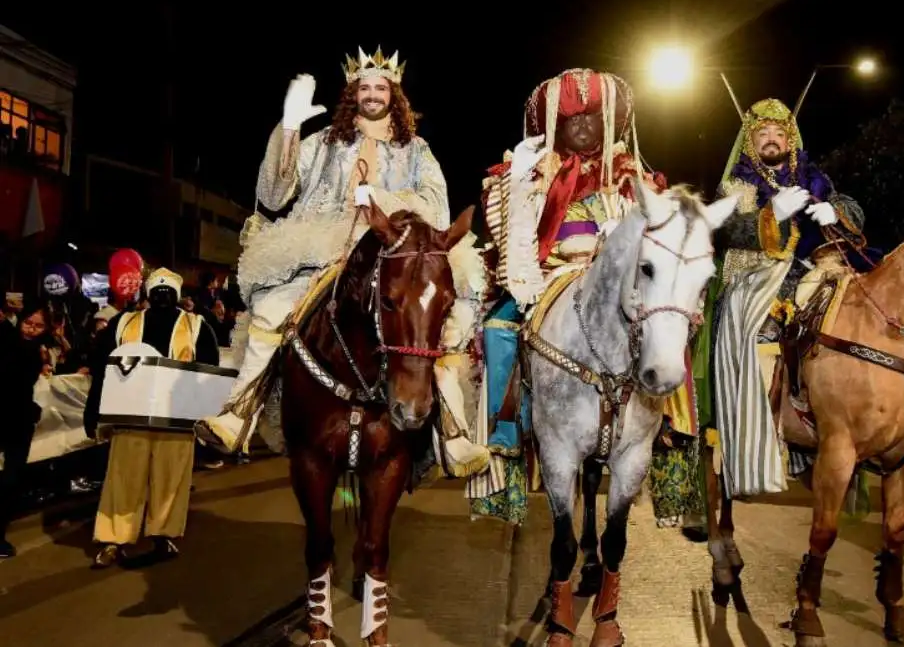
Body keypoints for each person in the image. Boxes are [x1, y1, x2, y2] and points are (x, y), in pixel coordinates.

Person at [197, 48, 485, 473]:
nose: (372, 94)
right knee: (273, 309)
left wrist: (382, 203)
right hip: (323, 248)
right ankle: (239, 412)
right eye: (364, 87)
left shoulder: (417, 151)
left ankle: (454, 432)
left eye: (380, 87)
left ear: (394, 95)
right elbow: (276, 195)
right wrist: (290, 127)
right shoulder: (322, 143)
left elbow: (438, 208)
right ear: (353, 93)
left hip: (392, 252)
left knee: (447, 319)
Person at [471, 68, 677, 523]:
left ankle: (670, 424)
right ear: (556, 125)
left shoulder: (630, 172)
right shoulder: (534, 168)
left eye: (591, 117)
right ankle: (509, 426)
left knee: (668, 324)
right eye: (572, 119)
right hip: (552, 273)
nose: (583, 126)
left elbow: (660, 228)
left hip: (618, 276)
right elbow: (502, 226)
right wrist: (520, 183)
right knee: (497, 327)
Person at [686, 98, 866, 508]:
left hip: (808, 270)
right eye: (763, 134)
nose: (771, 140)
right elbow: (728, 231)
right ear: (751, 141)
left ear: (791, 139)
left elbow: (853, 207)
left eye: (778, 133)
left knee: (854, 316)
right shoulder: (735, 185)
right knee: (755, 334)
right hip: (753, 275)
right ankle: (753, 438)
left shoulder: (814, 179)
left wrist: (832, 211)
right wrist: (772, 214)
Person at [84, 268, 220, 568]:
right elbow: (101, 367)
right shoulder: (123, 322)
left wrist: (204, 412)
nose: (161, 293)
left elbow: (209, 371)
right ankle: (115, 538)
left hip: (176, 419)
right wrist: (93, 409)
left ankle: (163, 534)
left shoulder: (197, 325)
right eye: (156, 289)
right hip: (130, 417)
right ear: (147, 292)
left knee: (170, 480)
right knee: (122, 478)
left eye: (167, 289)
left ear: (177, 294)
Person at [0, 303, 52, 558]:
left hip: (19, 421)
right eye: (28, 323)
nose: (31, 329)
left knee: (11, 477)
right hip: (11, 416)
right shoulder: (11, 343)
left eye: (38, 325)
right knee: (9, 478)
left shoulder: (34, 350)